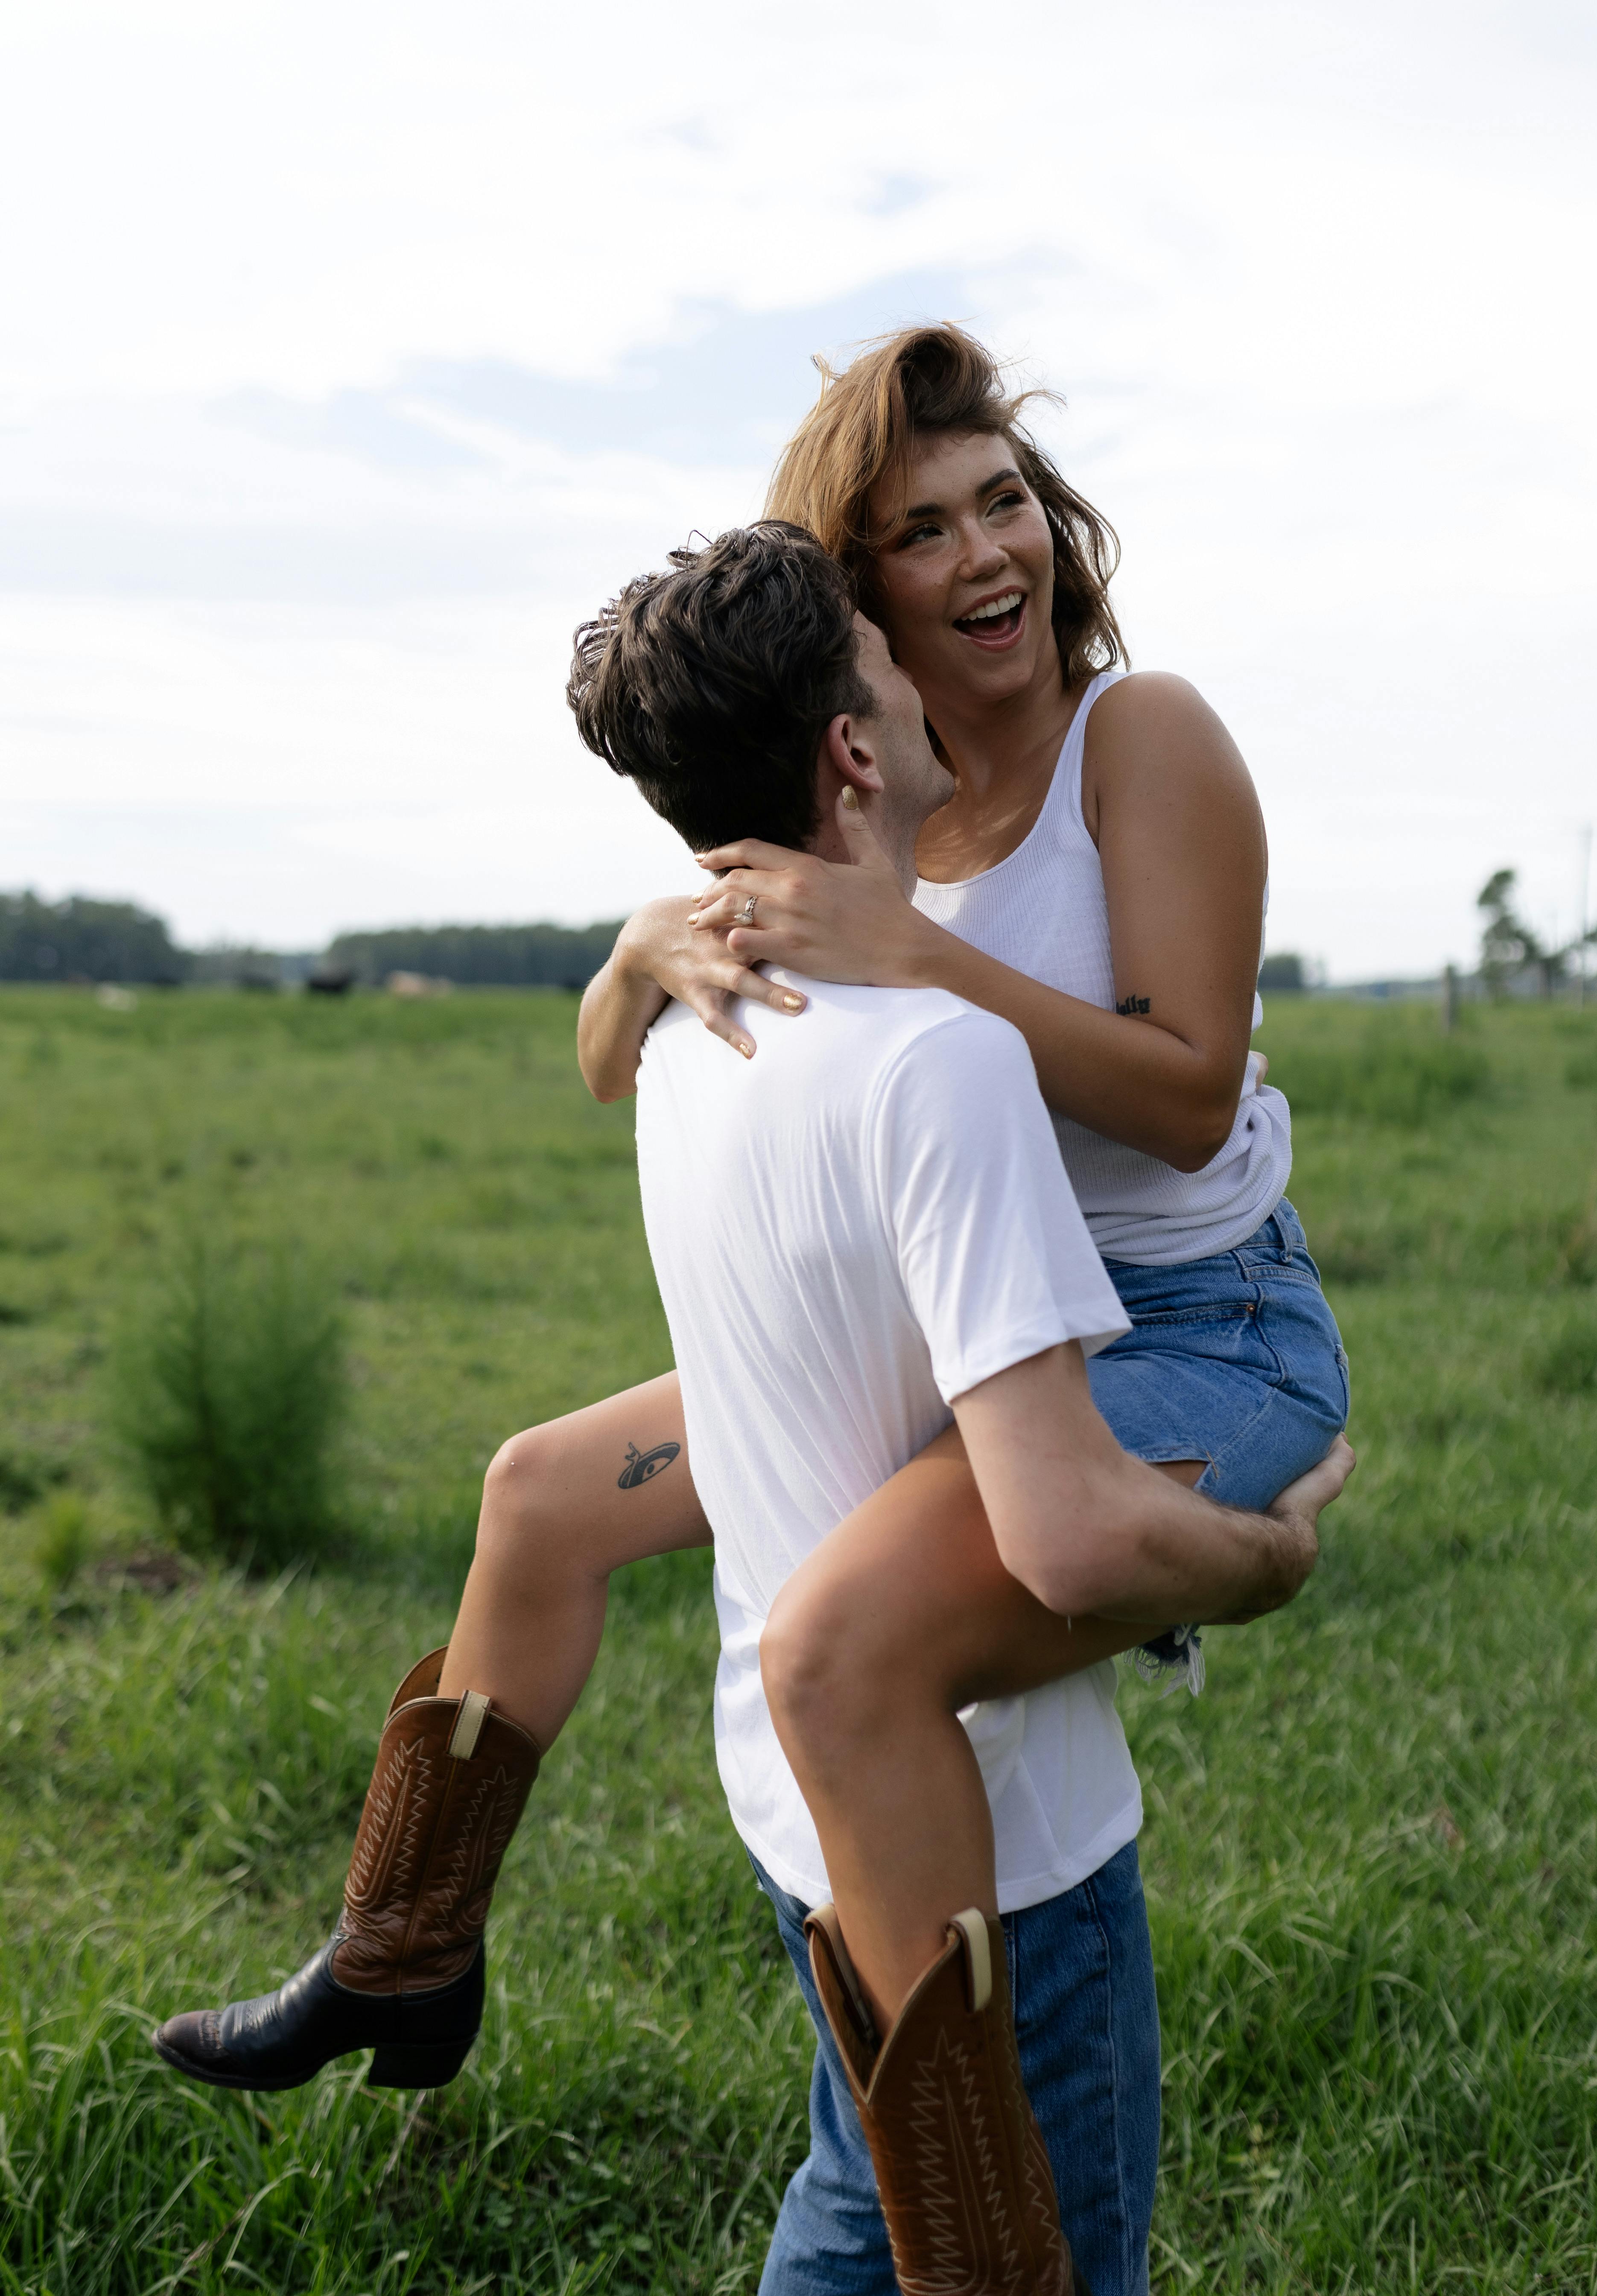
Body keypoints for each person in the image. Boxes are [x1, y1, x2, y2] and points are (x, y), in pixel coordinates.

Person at [152, 328, 1352, 2290]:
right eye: (921, 531)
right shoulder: (869, 789)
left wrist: (911, 956)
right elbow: (610, 1064)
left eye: (1005, 504)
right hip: (959, 1316)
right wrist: (643, 943)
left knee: (845, 1641)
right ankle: (402, 1948)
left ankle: (971, 2225)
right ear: (858, 612)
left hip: (1192, 1314)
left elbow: (1193, 1088)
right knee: (543, 1489)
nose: (989, 556)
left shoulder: (1146, 743)